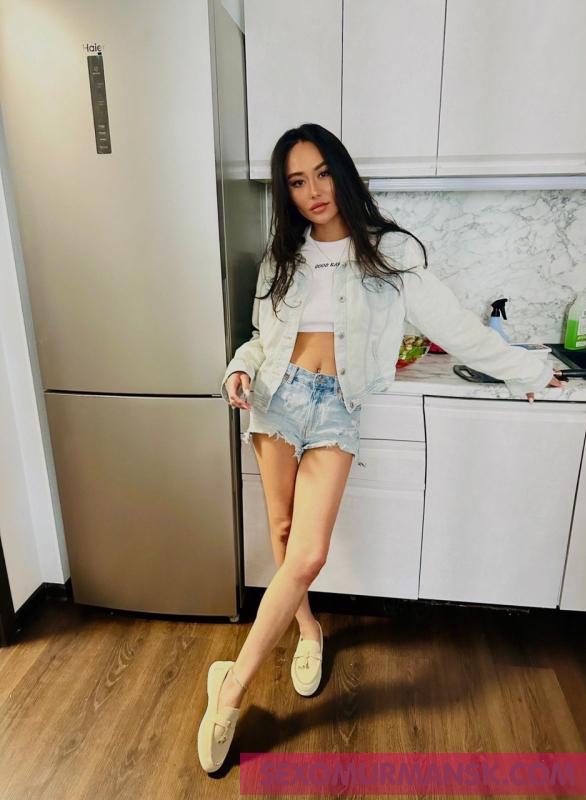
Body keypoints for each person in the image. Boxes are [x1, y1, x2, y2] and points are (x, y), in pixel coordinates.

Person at [197, 123, 566, 772]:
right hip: (275, 398)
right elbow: (260, 338)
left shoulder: (389, 251)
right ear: (287, 192)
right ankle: (308, 630)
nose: (314, 190)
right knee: (282, 531)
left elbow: (456, 328)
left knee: (308, 552)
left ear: (342, 172)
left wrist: (531, 370)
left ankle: (230, 687)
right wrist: (237, 368)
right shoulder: (282, 257)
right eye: (297, 181)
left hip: (336, 405)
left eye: (322, 173)